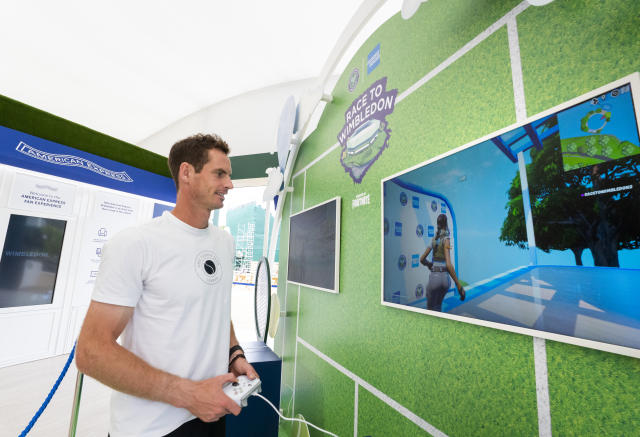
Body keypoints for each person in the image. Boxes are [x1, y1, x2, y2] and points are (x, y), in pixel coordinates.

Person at [76, 134, 258, 437]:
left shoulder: (224, 242)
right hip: (150, 428)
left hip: (212, 412)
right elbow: (91, 352)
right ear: (186, 173)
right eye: (219, 173)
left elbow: (216, 308)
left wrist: (234, 353)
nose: (229, 184)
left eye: (229, 175)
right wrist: (189, 395)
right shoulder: (135, 244)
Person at [419, 213, 465, 312]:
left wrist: (429, 264)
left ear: (437, 223)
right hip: (445, 280)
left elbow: (422, 259)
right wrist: (458, 284)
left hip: (434, 279)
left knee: (431, 310)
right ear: (446, 224)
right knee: (438, 307)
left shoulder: (434, 239)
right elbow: (448, 264)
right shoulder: (447, 239)